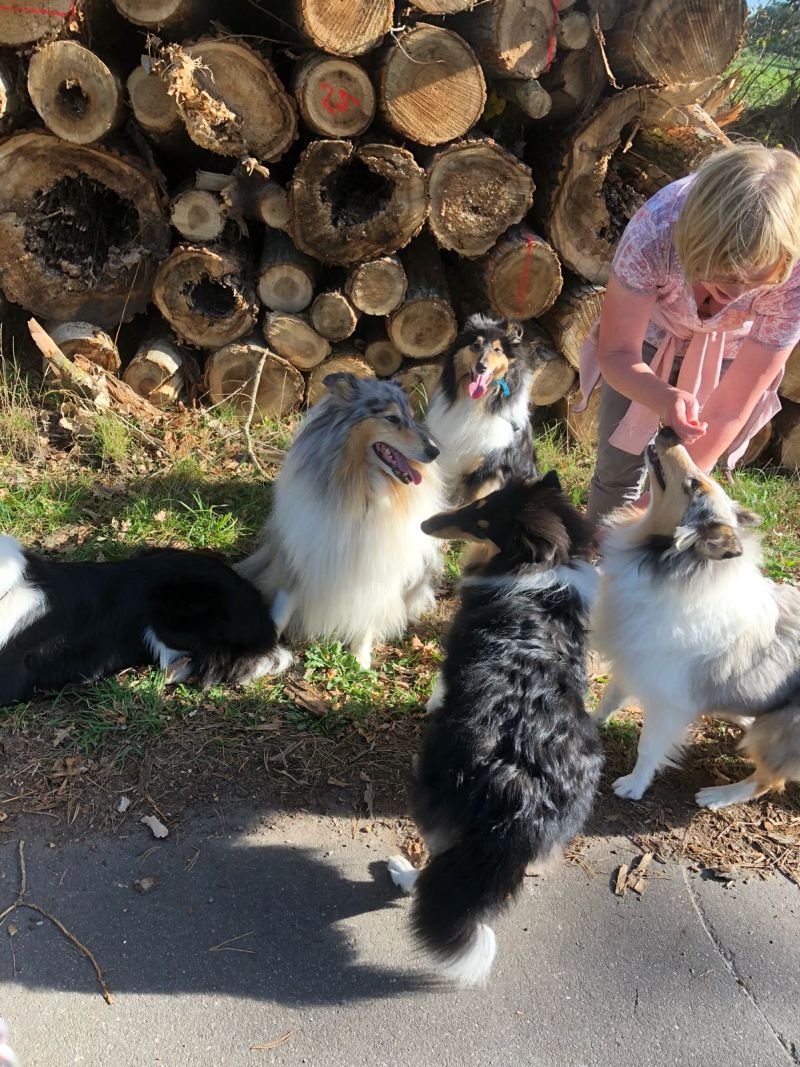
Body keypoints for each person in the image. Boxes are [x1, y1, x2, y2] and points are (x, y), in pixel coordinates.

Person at [579, 143, 800, 523]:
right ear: (693, 243)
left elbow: (731, 407)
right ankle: (595, 553)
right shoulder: (656, 230)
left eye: (756, 282)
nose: (735, 293)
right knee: (617, 471)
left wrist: (669, 495)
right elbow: (617, 353)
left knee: (682, 488)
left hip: (730, 349)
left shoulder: (795, 278)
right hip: (651, 337)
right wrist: (661, 396)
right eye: (723, 275)